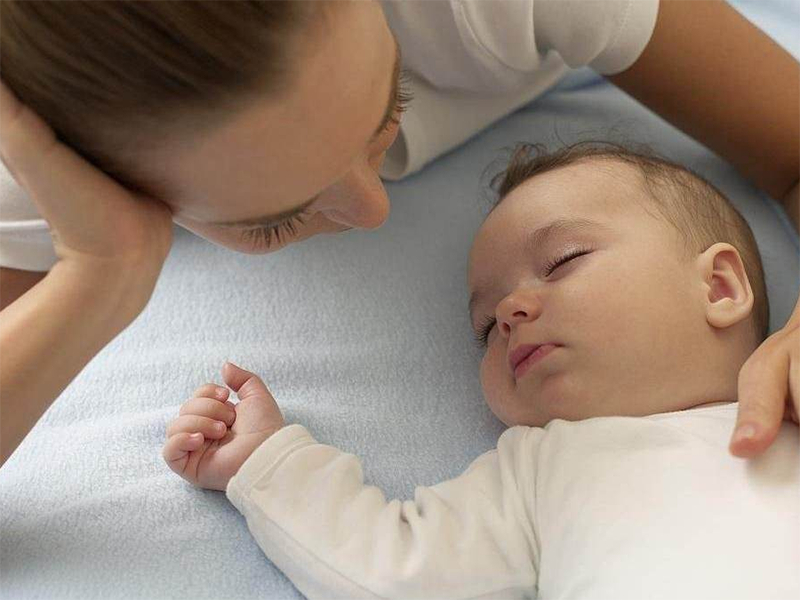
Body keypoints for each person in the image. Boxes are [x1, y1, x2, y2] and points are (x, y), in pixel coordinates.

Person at [0, 1, 798, 466]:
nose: (372, 209)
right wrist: (97, 275)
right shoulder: (33, 163)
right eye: (274, 219)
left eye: (391, 104)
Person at [163, 145, 799, 599]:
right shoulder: (538, 470)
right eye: (486, 328)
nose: (511, 312)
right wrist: (266, 462)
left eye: (562, 261)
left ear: (718, 287)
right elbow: (394, 571)